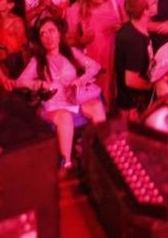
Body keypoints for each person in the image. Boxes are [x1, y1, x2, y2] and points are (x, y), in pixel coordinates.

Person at [16, 15, 105, 171]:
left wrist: (80, 80)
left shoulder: (71, 52)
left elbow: (94, 67)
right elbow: (20, 82)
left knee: (96, 106)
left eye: (51, 31)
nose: (48, 37)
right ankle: (67, 164)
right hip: (54, 105)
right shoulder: (38, 60)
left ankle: (101, 153)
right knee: (64, 118)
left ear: (59, 32)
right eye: (43, 34)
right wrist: (36, 83)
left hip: (73, 99)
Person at [113, 0, 156, 119]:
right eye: (154, 2)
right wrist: (154, 86)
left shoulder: (136, 28)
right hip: (133, 108)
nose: (157, 2)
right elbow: (131, 80)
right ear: (145, 11)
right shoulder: (133, 40)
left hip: (136, 103)